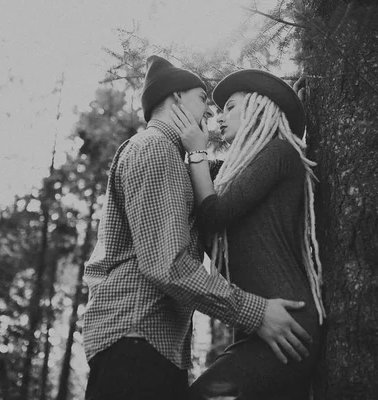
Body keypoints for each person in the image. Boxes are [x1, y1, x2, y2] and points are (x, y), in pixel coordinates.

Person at [82, 56, 313, 400]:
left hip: (156, 341)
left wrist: (284, 103)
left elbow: (243, 170)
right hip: (134, 334)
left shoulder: (181, 160)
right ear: (176, 98)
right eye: (203, 99)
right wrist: (255, 312)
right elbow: (166, 264)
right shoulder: (156, 148)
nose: (210, 113)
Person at [169, 69, 325, 400]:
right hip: (260, 329)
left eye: (231, 107)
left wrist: (197, 152)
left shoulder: (280, 153)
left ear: (258, 109)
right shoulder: (237, 172)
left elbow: (213, 214)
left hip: (288, 327)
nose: (220, 119)